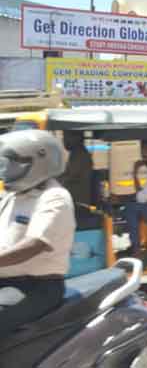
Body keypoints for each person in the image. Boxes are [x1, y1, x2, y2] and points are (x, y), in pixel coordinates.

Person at [0, 131, 75, 340]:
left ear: (39, 162)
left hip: (37, 287)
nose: (6, 171)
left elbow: (35, 244)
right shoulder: (13, 196)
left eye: (14, 164)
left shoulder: (54, 197)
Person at [58, 131, 94, 207]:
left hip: (78, 202)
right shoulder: (75, 153)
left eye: (65, 137)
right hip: (74, 200)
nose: (63, 140)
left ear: (76, 138)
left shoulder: (80, 154)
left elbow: (70, 176)